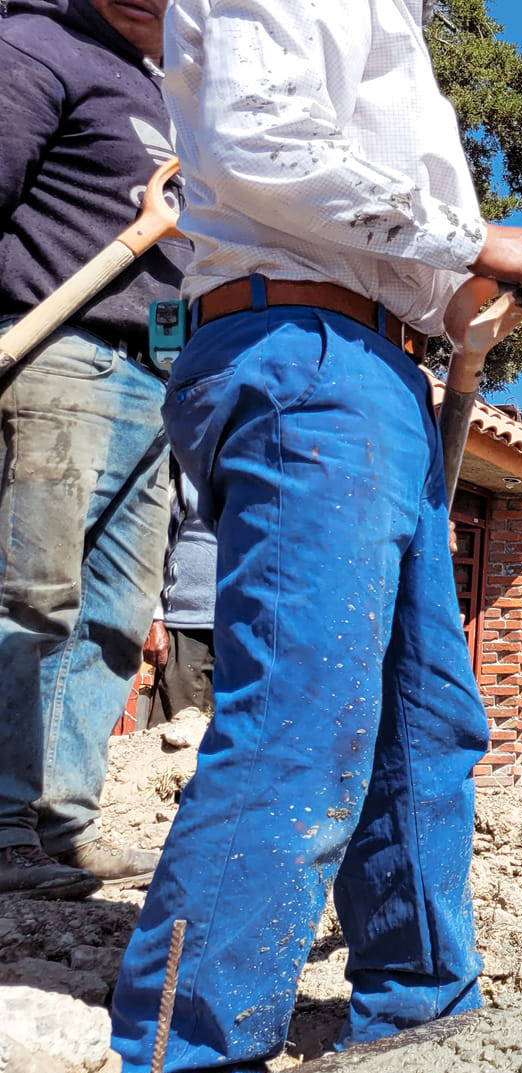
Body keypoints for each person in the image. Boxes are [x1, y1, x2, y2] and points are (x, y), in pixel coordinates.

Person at [107, 0, 522, 1073]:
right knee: (309, 714)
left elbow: (340, 187)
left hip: (370, 365)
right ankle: (190, 1072)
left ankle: (419, 1016)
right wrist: (469, 242)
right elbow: (260, 139)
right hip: (301, 352)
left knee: (425, 725)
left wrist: (448, 301)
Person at [0, 0, 188, 900]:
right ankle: (1, 829)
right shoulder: (38, 46)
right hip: (55, 353)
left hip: (156, 384)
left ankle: (57, 827)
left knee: (112, 618)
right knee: (29, 600)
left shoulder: (182, 96)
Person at [148, 466, 217, 722]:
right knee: (174, 734)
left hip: (246, 627)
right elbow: (154, 543)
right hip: (187, 624)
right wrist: (154, 618)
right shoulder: (181, 467)